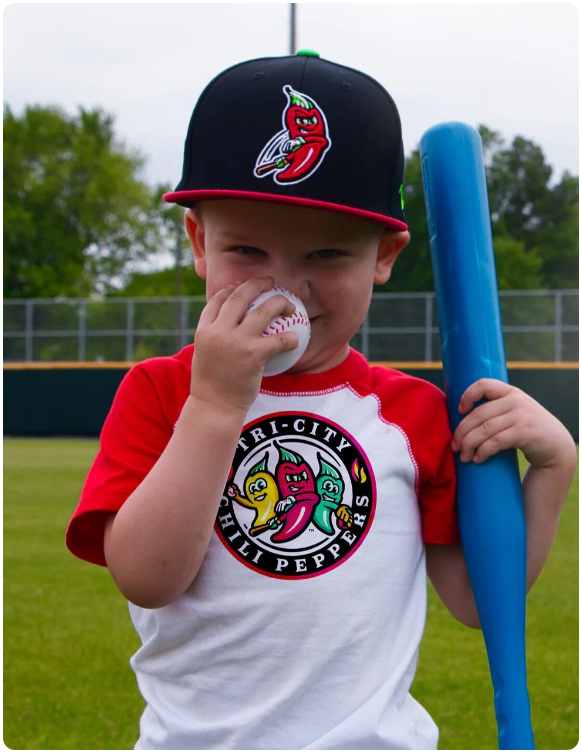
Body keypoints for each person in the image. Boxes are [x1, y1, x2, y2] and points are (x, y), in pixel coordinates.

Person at [66, 52, 577, 750]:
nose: (287, 288)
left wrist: (552, 473)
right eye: (247, 248)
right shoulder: (163, 391)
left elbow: (476, 601)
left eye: (327, 255)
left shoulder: (413, 413)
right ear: (197, 241)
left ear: (384, 256)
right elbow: (148, 579)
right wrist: (216, 405)